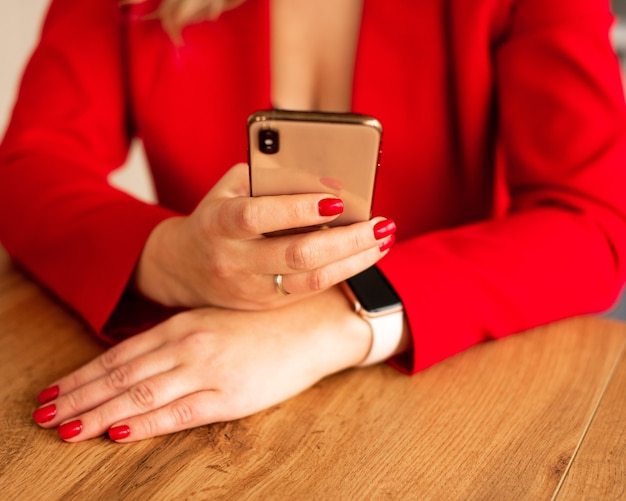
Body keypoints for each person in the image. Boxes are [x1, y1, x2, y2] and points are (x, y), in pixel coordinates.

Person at [1, 0, 625, 443]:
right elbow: (28, 165)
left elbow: (593, 220)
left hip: (455, 398)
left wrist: (337, 319)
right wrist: (169, 259)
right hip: (213, 387)